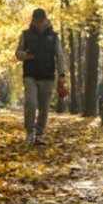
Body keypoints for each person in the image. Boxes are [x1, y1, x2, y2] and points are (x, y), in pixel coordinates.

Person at [16, 8, 66, 145]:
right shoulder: (26, 35)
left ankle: (39, 134)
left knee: (44, 107)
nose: (38, 24)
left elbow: (60, 55)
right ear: (33, 21)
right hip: (30, 75)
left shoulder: (53, 36)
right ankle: (29, 132)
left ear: (45, 20)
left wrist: (62, 74)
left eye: (40, 21)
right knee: (31, 102)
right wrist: (23, 56)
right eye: (36, 22)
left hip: (47, 76)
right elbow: (18, 52)